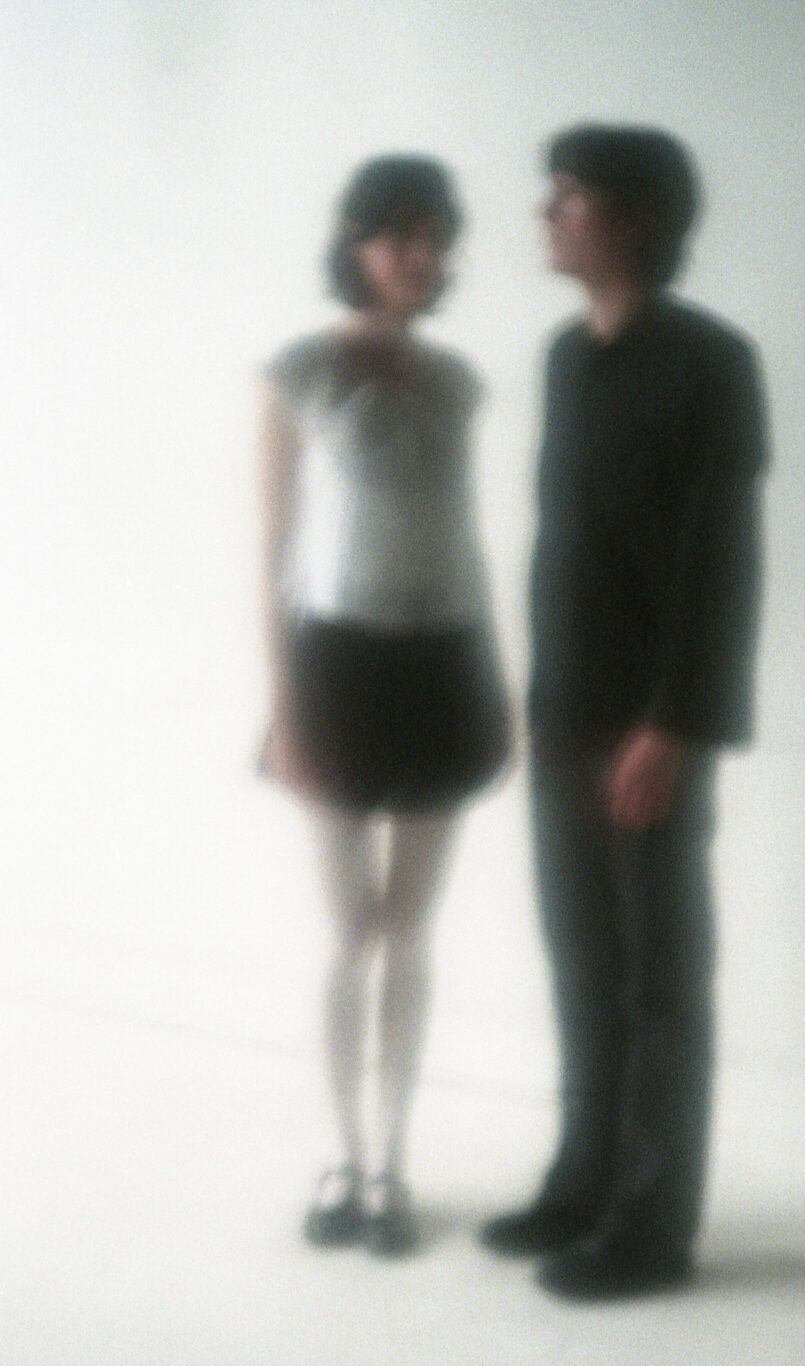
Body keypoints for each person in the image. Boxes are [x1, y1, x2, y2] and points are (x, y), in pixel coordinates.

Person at [480, 125, 768, 1299]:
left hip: (650, 726)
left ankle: (652, 1227)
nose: (544, 212)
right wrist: (535, 698)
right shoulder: (565, 356)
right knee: (581, 962)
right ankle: (583, 1181)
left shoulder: (712, 362)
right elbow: (567, 547)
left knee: (659, 979)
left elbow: (722, 558)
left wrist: (678, 723)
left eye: (568, 195)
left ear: (636, 217)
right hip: (562, 713)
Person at [258, 154, 509, 1257]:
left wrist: (494, 681)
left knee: (410, 929)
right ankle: (341, 1153)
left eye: (436, 236)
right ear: (356, 243)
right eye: (401, 233)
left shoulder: (458, 382)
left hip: (445, 659)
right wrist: (283, 705)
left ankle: (392, 1161)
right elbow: (271, 549)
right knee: (349, 929)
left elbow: (467, 540)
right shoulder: (299, 372)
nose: (422, 254)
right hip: (336, 665)